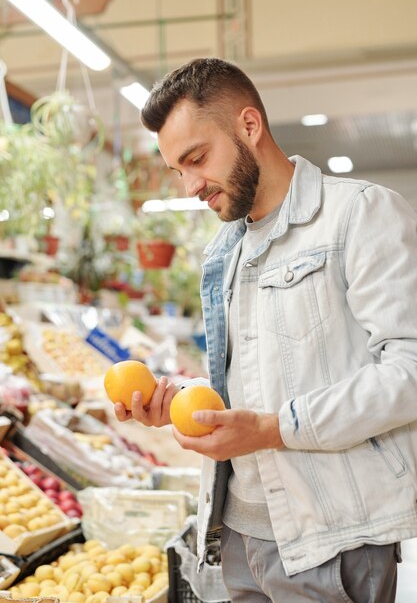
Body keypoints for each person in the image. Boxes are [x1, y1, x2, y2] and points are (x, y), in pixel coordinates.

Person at [114, 57, 417, 602]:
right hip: (236, 535)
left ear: (249, 127)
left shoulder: (359, 215)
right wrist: (181, 401)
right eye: (176, 170)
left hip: (332, 538)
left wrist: (276, 428)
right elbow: (253, 385)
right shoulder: (224, 250)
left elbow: (410, 370)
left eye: (196, 158)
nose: (189, 186)